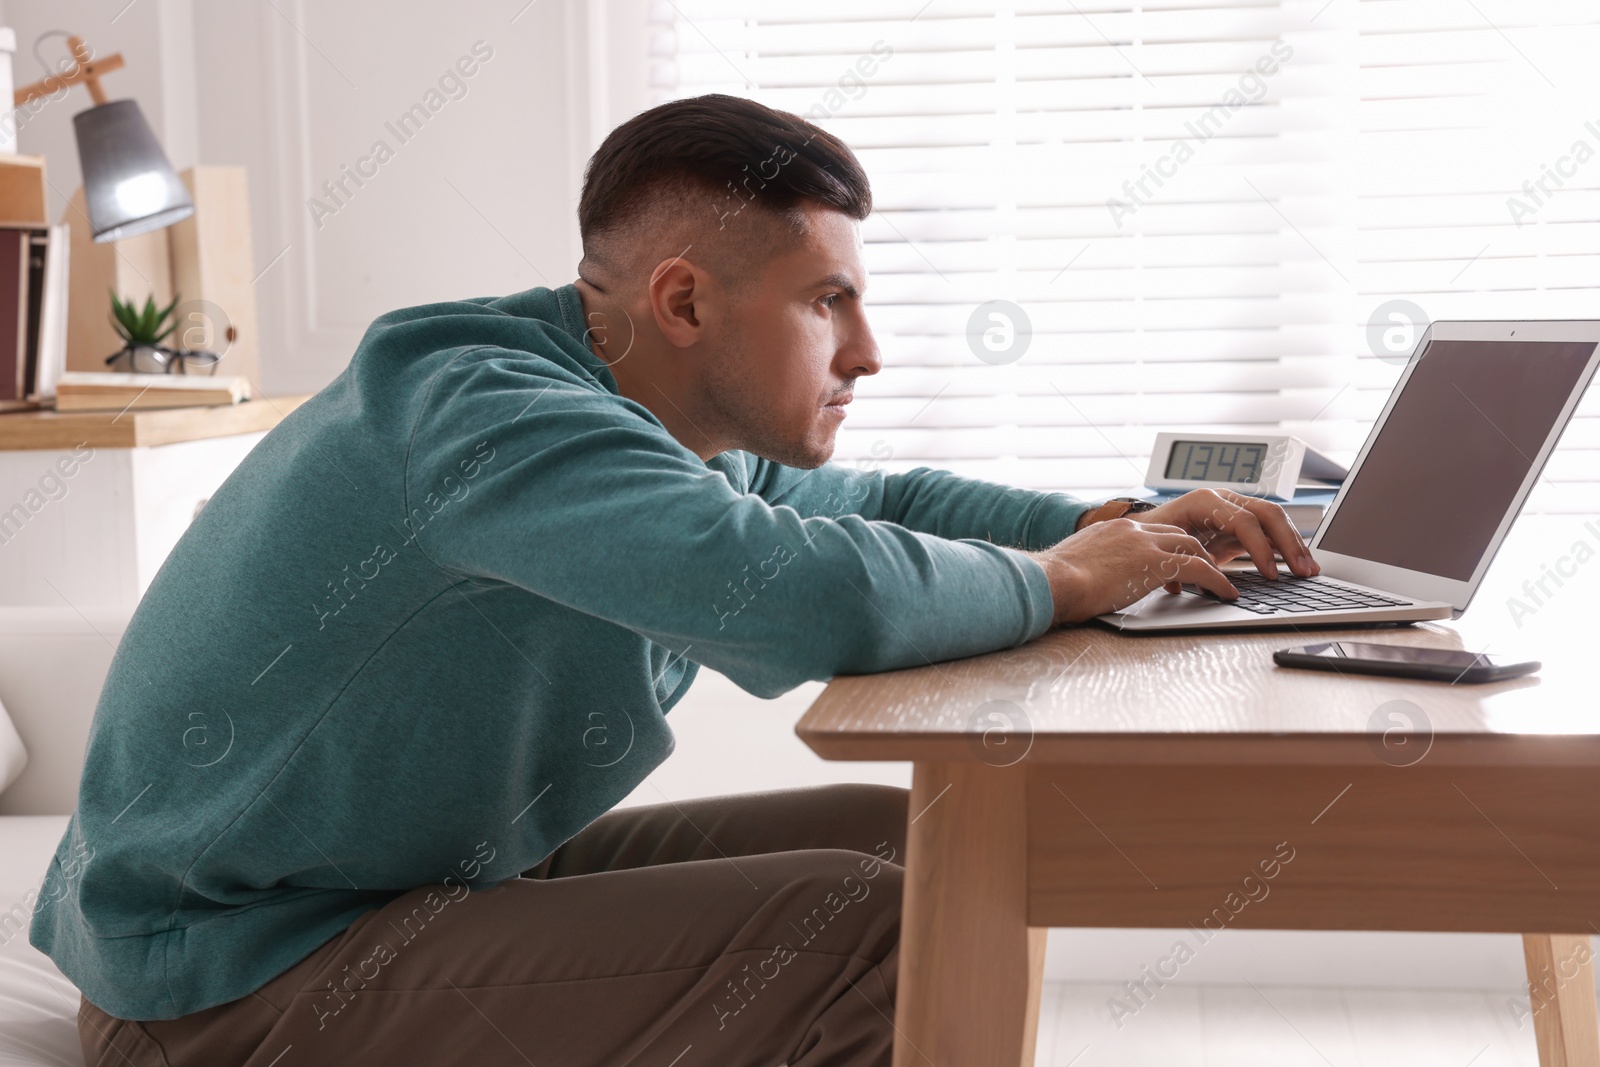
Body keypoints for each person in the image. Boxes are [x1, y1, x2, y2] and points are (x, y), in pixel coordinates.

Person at [37, 93, 1316, 1066]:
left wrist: (1117, 526)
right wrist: (1063, 579)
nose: (866, 351)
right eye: (829, 302)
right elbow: (805, 590)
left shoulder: (640, 415)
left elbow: (874, 505)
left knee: (921, 843)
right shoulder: (492, 413)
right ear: (685, 300)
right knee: (864, 923)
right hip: (219, 978)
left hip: (408, 890)